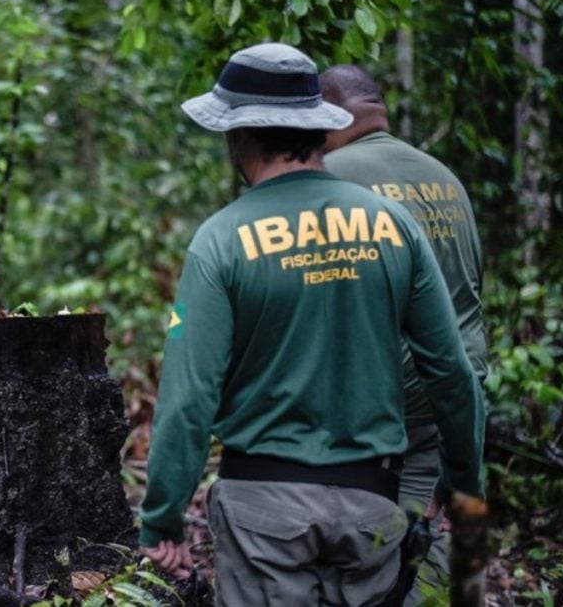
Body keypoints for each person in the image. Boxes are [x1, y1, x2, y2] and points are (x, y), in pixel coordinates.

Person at [137, 43, 485, 606]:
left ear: (238, 135)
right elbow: (451, 369)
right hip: (373, 503)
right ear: (320, 129)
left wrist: (162, 518)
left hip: (261, 514)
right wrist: (463, 479)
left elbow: (189, 397)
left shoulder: (220, 240)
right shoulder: (393, 225)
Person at [320, 64, 488, 605]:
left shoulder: (328, 178)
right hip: (454, 399)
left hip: (373, 407)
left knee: (360, 565)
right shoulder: (445, 178)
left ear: (327, 116)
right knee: (436, 546)